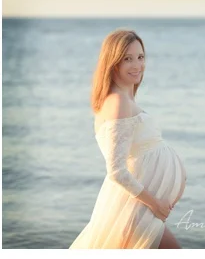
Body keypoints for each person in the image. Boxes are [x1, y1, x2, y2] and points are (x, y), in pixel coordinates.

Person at [70, 30, 186, 249]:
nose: (137, 65)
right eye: (127, 59)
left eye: (140, 57)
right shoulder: (118, 103)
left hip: (138, 209)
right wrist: (156, 204)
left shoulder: (123, 100)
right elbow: (116, 171)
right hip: (133, 210)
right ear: (113, 63)